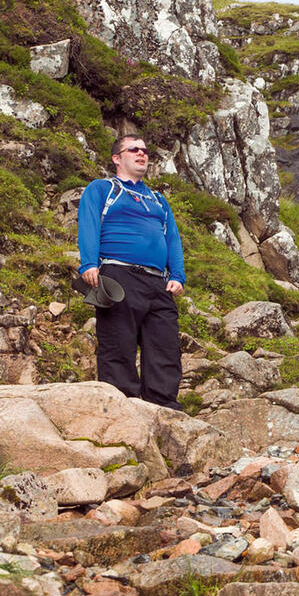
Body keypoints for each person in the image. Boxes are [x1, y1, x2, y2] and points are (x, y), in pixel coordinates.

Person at [77, 133, 186, 410]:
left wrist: (177, 275)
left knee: (165, 345)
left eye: (145, 151)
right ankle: (122, 405)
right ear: (117, 158)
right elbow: (88, 223)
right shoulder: (102, 189)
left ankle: (163, 406)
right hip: (118, 274)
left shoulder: (158, 200)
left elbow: (172, 238)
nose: (141, 154)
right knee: (118, 342)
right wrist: (88, 263)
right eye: (134, 149)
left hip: (158, 282)